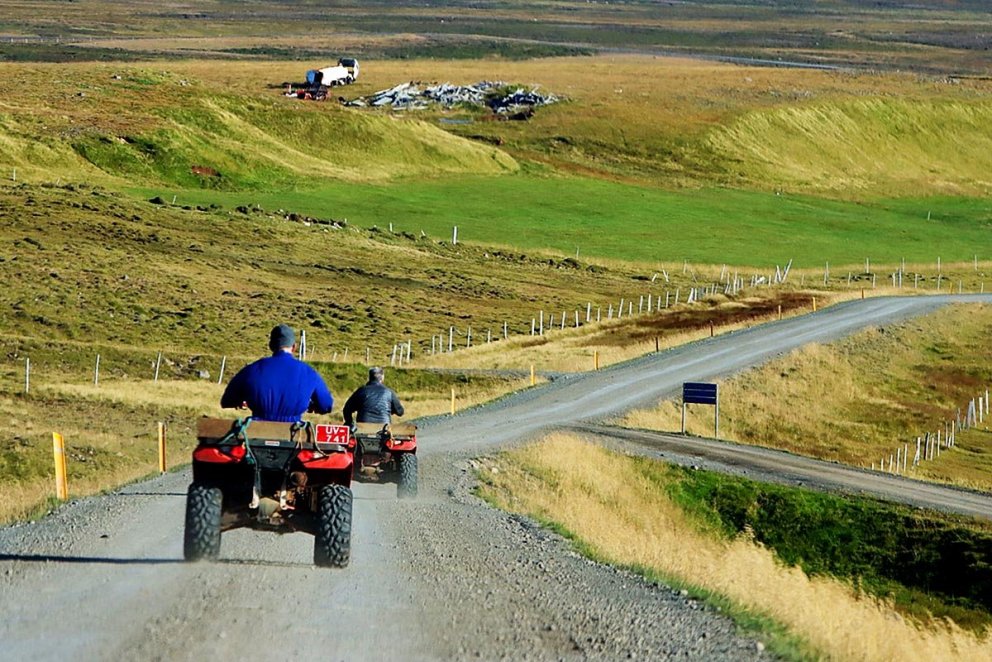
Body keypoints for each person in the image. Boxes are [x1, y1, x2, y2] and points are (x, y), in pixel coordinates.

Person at [220, 324, 333, 422]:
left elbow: (227, 401)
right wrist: (312, 406)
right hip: (293, 434)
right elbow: (326, 405)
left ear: (271, 346)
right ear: (294, 347)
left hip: (256, 432)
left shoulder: (251, 370)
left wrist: (242, 401)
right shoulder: (309, 373)